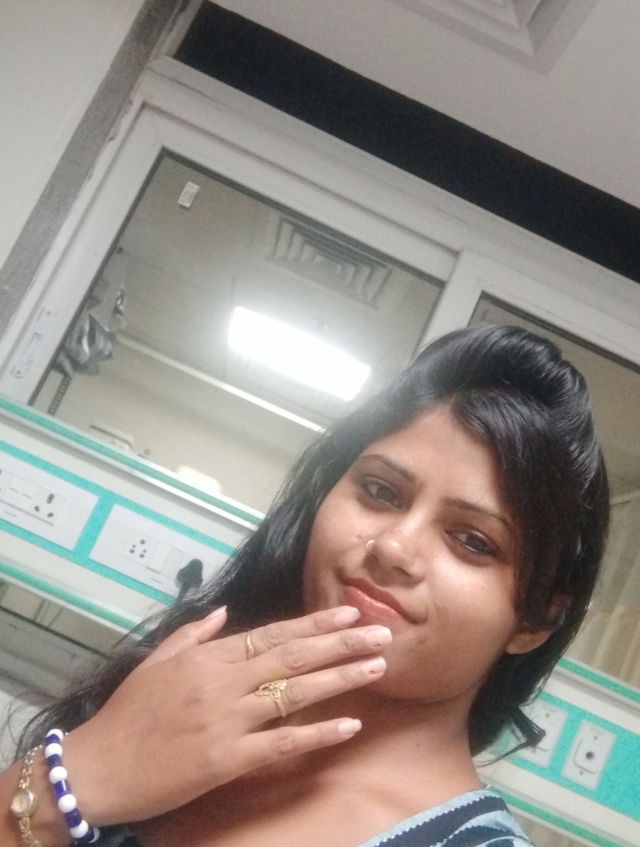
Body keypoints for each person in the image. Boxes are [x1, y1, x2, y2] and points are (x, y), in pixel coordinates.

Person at [0, 325, 609, 847]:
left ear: (535, 620)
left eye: (472, 541)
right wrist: (83, 772)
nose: (394, 547)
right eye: (380, 491)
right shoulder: (180, 702)